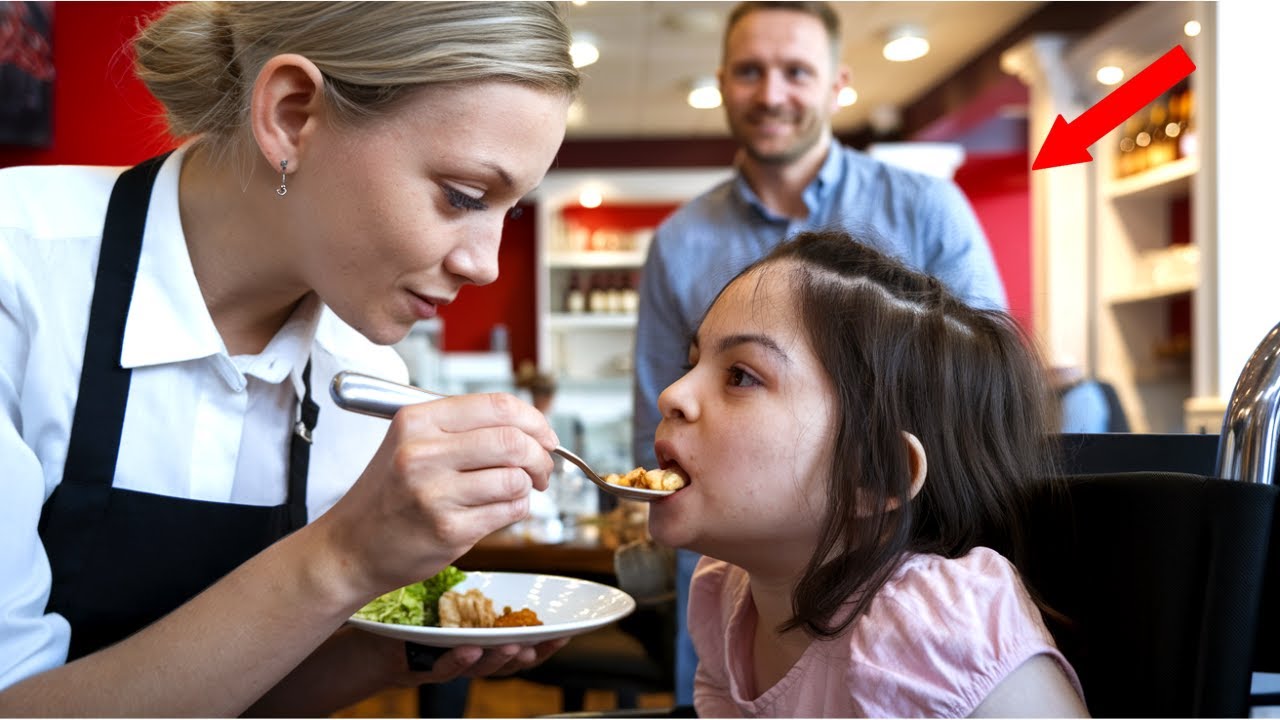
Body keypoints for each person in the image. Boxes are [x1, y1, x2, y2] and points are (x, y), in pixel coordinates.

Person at [0, 2, 579, 715]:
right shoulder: (17, 277)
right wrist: (344, 558)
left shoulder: (363, 375)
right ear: (292, 115)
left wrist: (377, 656)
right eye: (462, 196)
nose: (485, 264)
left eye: (510, 209)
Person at [632, 1, 1009, 703]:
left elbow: (974, 401)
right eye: (750, 71)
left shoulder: (927, 210)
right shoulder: (680, 242)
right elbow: (657, 410)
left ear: (838, 84)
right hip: (729, 574)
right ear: (721, 82)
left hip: (895, 574)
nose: (771, 93)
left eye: (795, 72)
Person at [647, 230, 1088, 717]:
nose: (673, 394)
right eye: (692, 363)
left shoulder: (931, 628)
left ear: (877, 475)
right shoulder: (724, 593)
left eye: (741, 376)